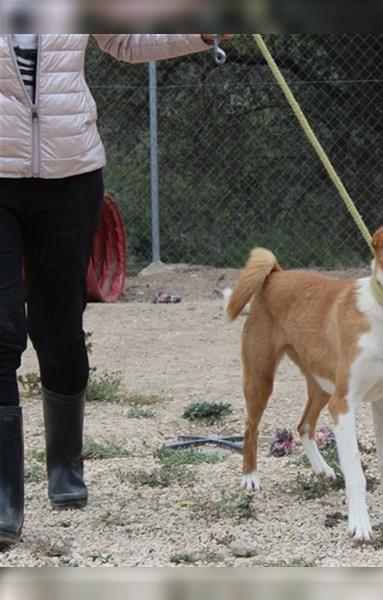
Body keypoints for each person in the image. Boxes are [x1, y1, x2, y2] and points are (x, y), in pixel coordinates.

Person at [0, 33, 231, 546]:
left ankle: (64, 464)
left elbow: (126, 38)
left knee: (57, 329)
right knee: (1, 331)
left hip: (71, 175)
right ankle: (3, 496)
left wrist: (201, 30)